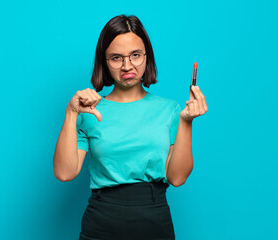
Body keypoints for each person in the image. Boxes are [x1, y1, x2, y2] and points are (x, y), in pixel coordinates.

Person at [53, 14, 208, 240]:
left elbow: (176, 178)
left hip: (154, 223)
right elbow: (65, 173)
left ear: (147, 57)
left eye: (135, 55)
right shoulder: (89, 110)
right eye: (116, 58)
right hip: (100, 225)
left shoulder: (170, 110)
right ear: (104, 61)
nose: (127, 66)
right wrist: (71, 114)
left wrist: (186, 121)